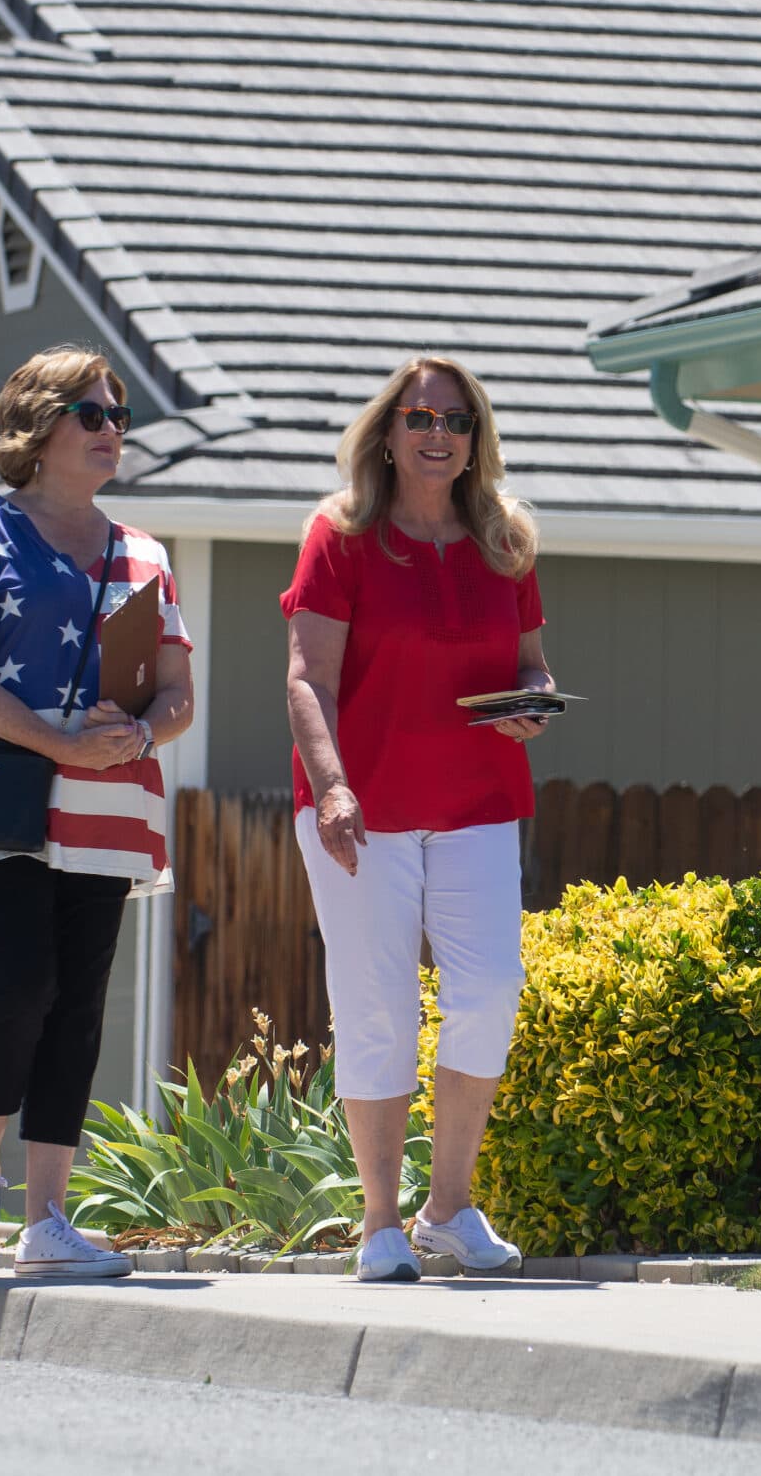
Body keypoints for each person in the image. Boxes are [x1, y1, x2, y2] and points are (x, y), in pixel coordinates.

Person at [0, 346, 195, 1278]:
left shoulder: (146, 555)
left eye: (119, 415)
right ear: (38, 427)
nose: (112, 429)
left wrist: (141, 736)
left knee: (77, 1006)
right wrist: (62, 741)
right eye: (91, 412)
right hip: (3, 790)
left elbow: (179, 695)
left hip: (109, 800)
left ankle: (48, 1221)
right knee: (21, 981)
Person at [283, 355, 552, 1283]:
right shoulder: (340, 535)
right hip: (365, 810)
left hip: (477, 799)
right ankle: (381, 1225)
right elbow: (307, 678)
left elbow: (532, 663)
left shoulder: (505, 538)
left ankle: (449, 1209)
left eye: (458, 419)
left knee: (489, 993)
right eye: (420, 417)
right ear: (388, 435)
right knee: (378, 1011)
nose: (439, 433)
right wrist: (332, 786)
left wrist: (536, 699)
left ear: (477, 439)